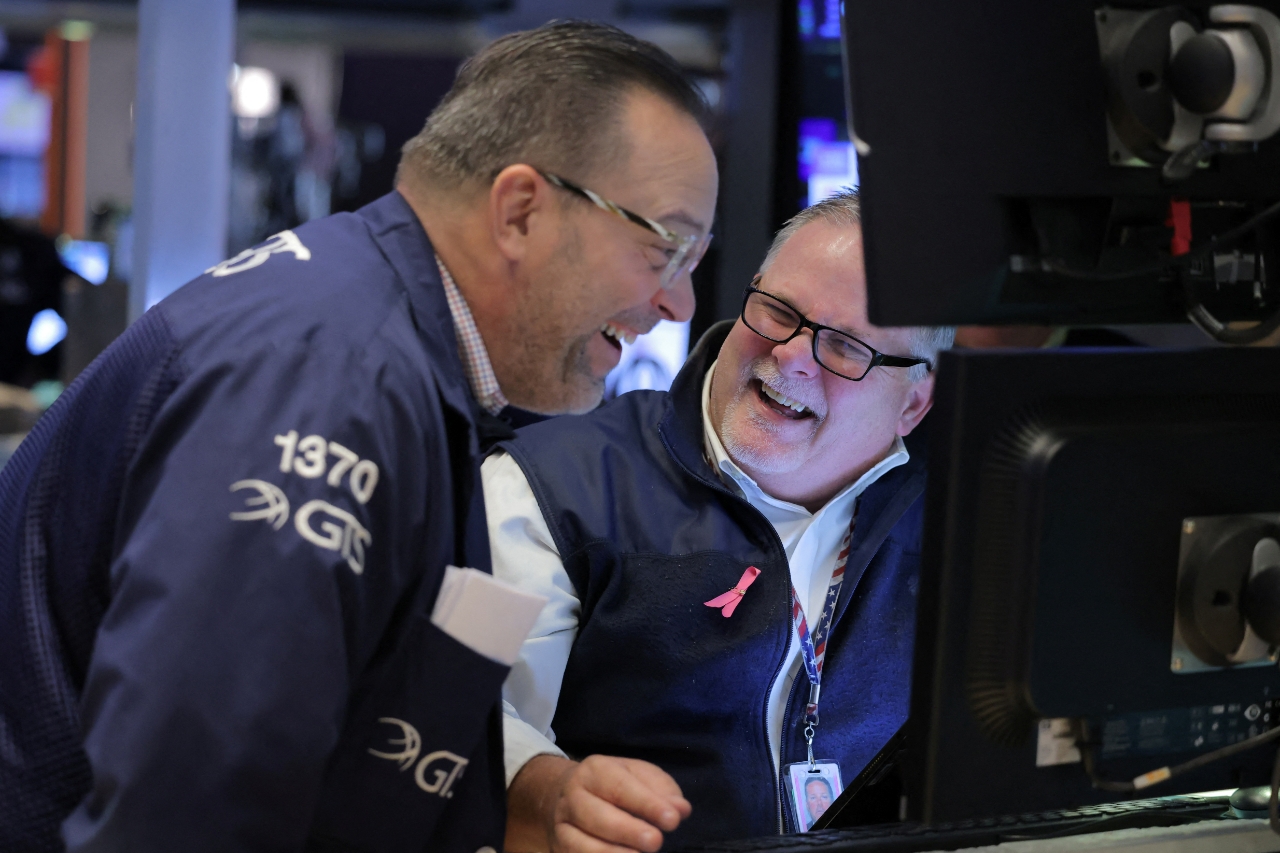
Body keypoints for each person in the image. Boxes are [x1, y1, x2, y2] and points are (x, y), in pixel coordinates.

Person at [0, 21, 717, 853]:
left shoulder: (391, 347)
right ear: (521, 211)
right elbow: (189, 811)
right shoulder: (330, 381)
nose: (680, 303)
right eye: (665, 249)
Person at [483, 190, 954, 851]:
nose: (790, 354)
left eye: (846, 347)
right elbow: (460, 710)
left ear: (914, 403)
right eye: (778, 311)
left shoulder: (960, 521)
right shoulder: (552, 484)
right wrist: (547, 790)